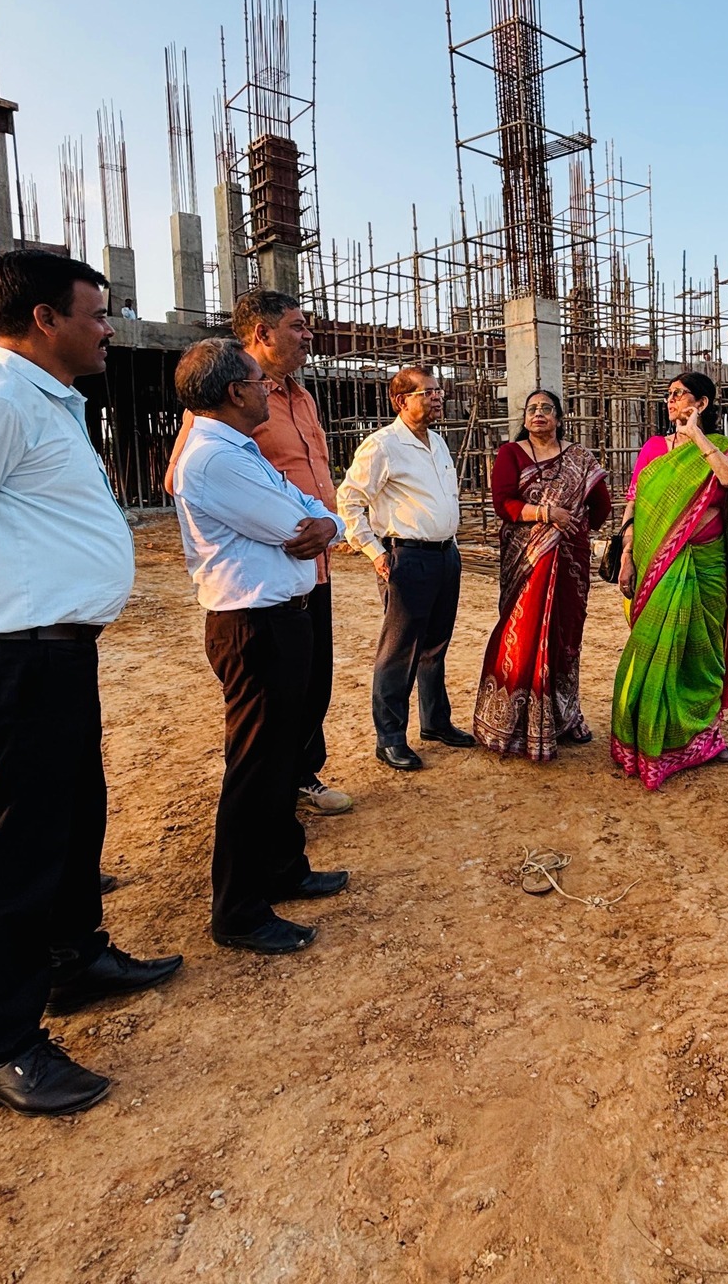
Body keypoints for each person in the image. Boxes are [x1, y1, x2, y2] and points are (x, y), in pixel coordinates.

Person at [0, 248, 182, 1118]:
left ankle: (74, 960)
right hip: (11, 660)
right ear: (45, 319)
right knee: (15, 854)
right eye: (96, 314)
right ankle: (3, 1048)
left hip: (56, 654)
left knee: (73, 819)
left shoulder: (44, 400)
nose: (109, 329)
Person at [171, 340, 351, 955]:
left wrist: (327, 523)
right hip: (253, 623)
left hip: (280, 618)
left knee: (279, 758)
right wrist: (321, 523)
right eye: (256, 380)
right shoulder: (215, 459)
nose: (265, 388)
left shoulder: (239, 450)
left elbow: (319, 513)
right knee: (255, 767)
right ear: (234, 392)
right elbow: (295, 524)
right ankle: (239, 910)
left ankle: (281, 868)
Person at [165, 289, 351, 814]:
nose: (308, 335)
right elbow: (181, 479)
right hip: (272, 564)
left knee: (311, 682)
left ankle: (300, 775)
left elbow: (311, 483)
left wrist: (327, 524)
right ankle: (273, 794)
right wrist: (269, 517)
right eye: (298, 326)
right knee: (271, 697)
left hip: (313, 561)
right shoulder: (223, 407)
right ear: (262, 334)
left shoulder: (301, 397)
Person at [610, 371, 728, 788]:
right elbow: (635, 504)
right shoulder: (654, 450)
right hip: (657, 564)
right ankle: (645, 739)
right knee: (652, 649)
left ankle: (701, 738)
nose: (671, 400)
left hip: (707, 565)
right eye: (669, 395)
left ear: (702, 403)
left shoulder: (723, 447)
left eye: (679, 394)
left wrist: (696, 437)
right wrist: (626, 555)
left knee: (703, 655)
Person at [337, 366, 474, 770]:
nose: (438, 397)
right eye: (427, 392)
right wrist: (375, 552)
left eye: (438, 391)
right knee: (399, 651)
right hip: (407, 557)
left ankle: (435, 722)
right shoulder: (383, 445)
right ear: (401, 401)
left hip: (445, 555)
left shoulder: (437, 442)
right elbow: (349, 500)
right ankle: (390, 738)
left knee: (436, 645)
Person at [472, 389, 611, 759]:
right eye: (531, 409)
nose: (538, 414)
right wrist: (548, 515)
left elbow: (601, 505)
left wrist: (575, 532)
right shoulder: (511, 453)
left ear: (559, 418)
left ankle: (566, 715)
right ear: (524, 418)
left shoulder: (579, 457)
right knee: (521, 634)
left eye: (546, 408)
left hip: (569, 561)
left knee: (565, 638)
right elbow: (502, 503)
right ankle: (512, 722)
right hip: (526, 558)